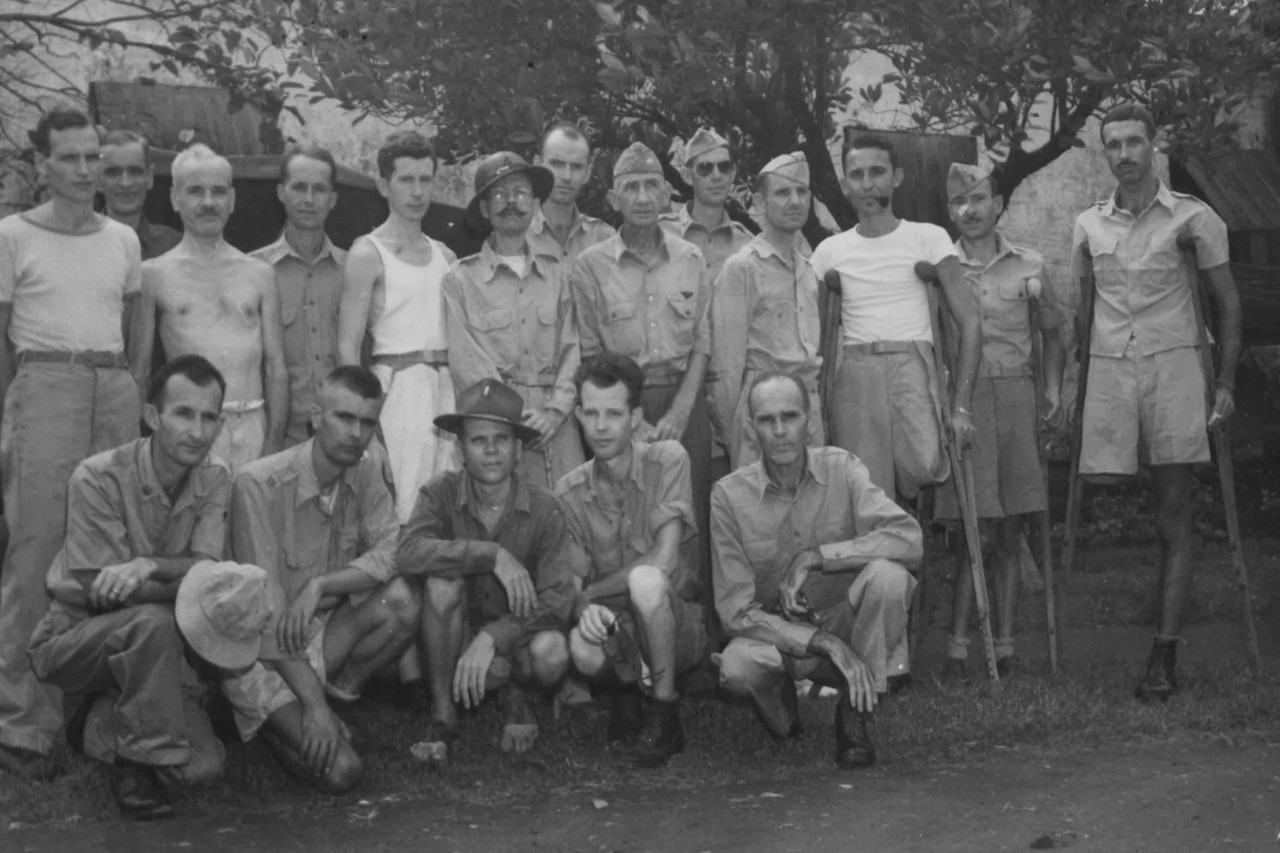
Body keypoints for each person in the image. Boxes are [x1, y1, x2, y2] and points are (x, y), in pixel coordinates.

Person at [1071, 103, 1240, 701]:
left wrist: (1225, 383)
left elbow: (1228, 305)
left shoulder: (1196, 220)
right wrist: (1070, 388)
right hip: (1112, 374)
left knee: (1173, 512)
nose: (1124, 154)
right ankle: (1073, 644)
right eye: (1113, 144)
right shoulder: (1087, 225)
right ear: (1106, 152)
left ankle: (1164, 652)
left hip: (1174, 369)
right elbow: (1080, 310)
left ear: (1153, 145)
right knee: (1098, 493)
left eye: (1134, 142)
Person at [0, 105, 143, 780]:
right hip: (45, 387)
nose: (87, 170)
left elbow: (134, 329)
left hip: (111, 388)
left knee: (107, 553)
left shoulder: (122, 240)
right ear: (42, 166)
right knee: (36, 555)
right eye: (74, 158)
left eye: (95, 157)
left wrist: (126, 390)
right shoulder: (12, 237)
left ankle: (99, 716)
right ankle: (25, 725)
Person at [27, 355, 234, 817]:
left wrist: (150, 564)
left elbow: (207, 568)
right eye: (183, 413)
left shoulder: (215, 475)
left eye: (209, 417)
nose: (197, 431)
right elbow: (113, 595)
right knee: (153, 621)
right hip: (76, 636)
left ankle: (100, 723)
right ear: (152, 416)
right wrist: (185, 583)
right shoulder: (98, 476)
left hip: (153, 646)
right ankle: (133, 763)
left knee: (203, 768)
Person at [710, 373, 922, 768]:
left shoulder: (843, 469)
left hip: (844, 620)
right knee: (737, 668)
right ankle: (780, 708)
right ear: (751, 429)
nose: (779, 431)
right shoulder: (728, 497)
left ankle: (855, 712)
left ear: (809, 418)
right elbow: (733, 611)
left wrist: (816, 556)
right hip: (776, 637)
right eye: (766, 420)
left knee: (889, 576)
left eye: (790, 417)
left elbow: (909, 539)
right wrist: (820, 642)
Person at [226, 365, 420, 790]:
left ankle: (325, 707)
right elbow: (266, 622)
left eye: (367, 422)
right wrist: (313, 707)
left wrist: (321, 585)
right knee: (343, 774)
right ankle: (274, 722)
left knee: (402, 599)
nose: (356, 433)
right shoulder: (257, 485)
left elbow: (393, 551)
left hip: (319, 633)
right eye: (344, 417)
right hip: (262, 653)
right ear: (316, 415)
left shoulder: (365, 470)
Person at [396, 378, 577, 763]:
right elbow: (408, 552)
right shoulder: (439, 492)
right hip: (455, 641)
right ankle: (443, 714)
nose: (491, 450)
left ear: (518, 450)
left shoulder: (546, 507)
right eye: (478, 440)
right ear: (460, 448)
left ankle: (517, 697)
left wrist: (494, 637)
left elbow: (559, 598)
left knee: (553, 651)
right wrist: (489, 553)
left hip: (516, 642)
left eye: (502, 439)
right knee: (441, 588)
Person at [569, 143, 714, 611]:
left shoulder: (692, 257)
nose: (643, 196)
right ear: (613, 199)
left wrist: (678, 413)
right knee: (630, 516)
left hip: (683, 405)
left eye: (652, 185)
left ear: (669, 194)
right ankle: (630, 623)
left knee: (689, 519)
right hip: (620, 406)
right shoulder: (591, 266)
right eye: (631, 187)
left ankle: (691, 634)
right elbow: (592, 353)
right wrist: (631, 417)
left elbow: (702, 344)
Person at [938, 162, 1066, 677]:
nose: (968, 211)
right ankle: (957, 646)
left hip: (1014, 395)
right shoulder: (941, 267)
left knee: (1010, 529)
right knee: (975, 532)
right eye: (958, 203)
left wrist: (1053, 387)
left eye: (978, 199)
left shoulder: (1030, 265)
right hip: (965, 403)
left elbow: (1053, 334)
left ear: (998, 204)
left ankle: (1007, 644)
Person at [555, 354, 708, 768]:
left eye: (614, 414)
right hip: (617, 626)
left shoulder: (668, 459)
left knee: (646, 580)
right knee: (579, 645)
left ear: (635, 416)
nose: (601, 427)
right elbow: (571, 585)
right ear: (578, 416)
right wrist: (583, 607)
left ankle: (664, 712)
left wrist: (591, 593)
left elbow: (664, 561)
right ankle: (626, 696)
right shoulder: (568, 493)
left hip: (674, 623)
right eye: (591, 413)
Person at [810, 135, 982, 500]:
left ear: (897, 177)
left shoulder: (929, 238)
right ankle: (885, 548)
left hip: (914, 364)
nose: (868, 183)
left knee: (925, 463)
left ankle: (907, 527)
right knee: (868, 484)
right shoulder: (829, 251)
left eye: (877, 172)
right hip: (858, 370)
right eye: (857, 175)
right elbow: (818, 334)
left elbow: (969, 321)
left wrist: (961, 404)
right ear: (845, 184)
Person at [135, 143, 288, 470]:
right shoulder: (154, 274)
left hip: (253, 428)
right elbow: (140, 370)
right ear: (175, 199)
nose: (208, 202)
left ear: (231, 200)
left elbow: (276, 369)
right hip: (190, 431)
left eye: (218, 192)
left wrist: (273, 444)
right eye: (195, 191)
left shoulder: (260, 274)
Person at [337, 130, 459, 526]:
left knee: (444, 506)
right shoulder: (367, 253)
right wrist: (365, 426)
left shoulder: (445, 254)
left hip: (444, 392)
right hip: (396, 394)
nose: (418, 191)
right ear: (383, 185)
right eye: (406, 180)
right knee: (401, 508)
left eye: (426, 179)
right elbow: (347, 350)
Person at [445, 151, 584, 489]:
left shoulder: (559, 274)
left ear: (536, 203)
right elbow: (465, 359)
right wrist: (509, 416)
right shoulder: (461, 279)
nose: (511, 202)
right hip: (493, 427)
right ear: (483, 207)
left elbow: (575, 348)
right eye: (499, 194)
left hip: (557, 424)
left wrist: (555, 411)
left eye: (521, 193)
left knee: (567, 515)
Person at [709, 152, 824, 470]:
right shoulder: (742, 267)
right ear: (759, 202)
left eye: (802, 192)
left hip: (807, 409)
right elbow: (725, 367)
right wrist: (735, 429)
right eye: (783, 192)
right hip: (760, 411)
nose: (795, 201)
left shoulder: (807, 268)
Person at [250, 146, 348, 447]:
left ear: (332, 199)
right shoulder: (253, 270)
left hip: (344, 432)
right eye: (298, 187)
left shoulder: (353, 269)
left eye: (319, 189)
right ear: (281, 192)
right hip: (280, 438)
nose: (308, 199)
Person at [659, 127, 755, 283]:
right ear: (687, 176)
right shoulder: (660, 236)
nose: (716, 176)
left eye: (724, 167)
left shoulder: (747, 245)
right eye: (705, 168)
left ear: (733, 173)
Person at [530, 122, 616, 264]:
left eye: (576, 167)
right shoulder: (517, 235)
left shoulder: (604, 238)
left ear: (587, 173)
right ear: (538, 165)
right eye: (557, 164)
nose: (567, 176)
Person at [98, 129, 182, 259]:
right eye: (113, 173)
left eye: (135, 172)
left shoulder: (174, 247)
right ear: (97, 180)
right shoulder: (80, 246)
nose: (125, 183)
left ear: (149, 177)